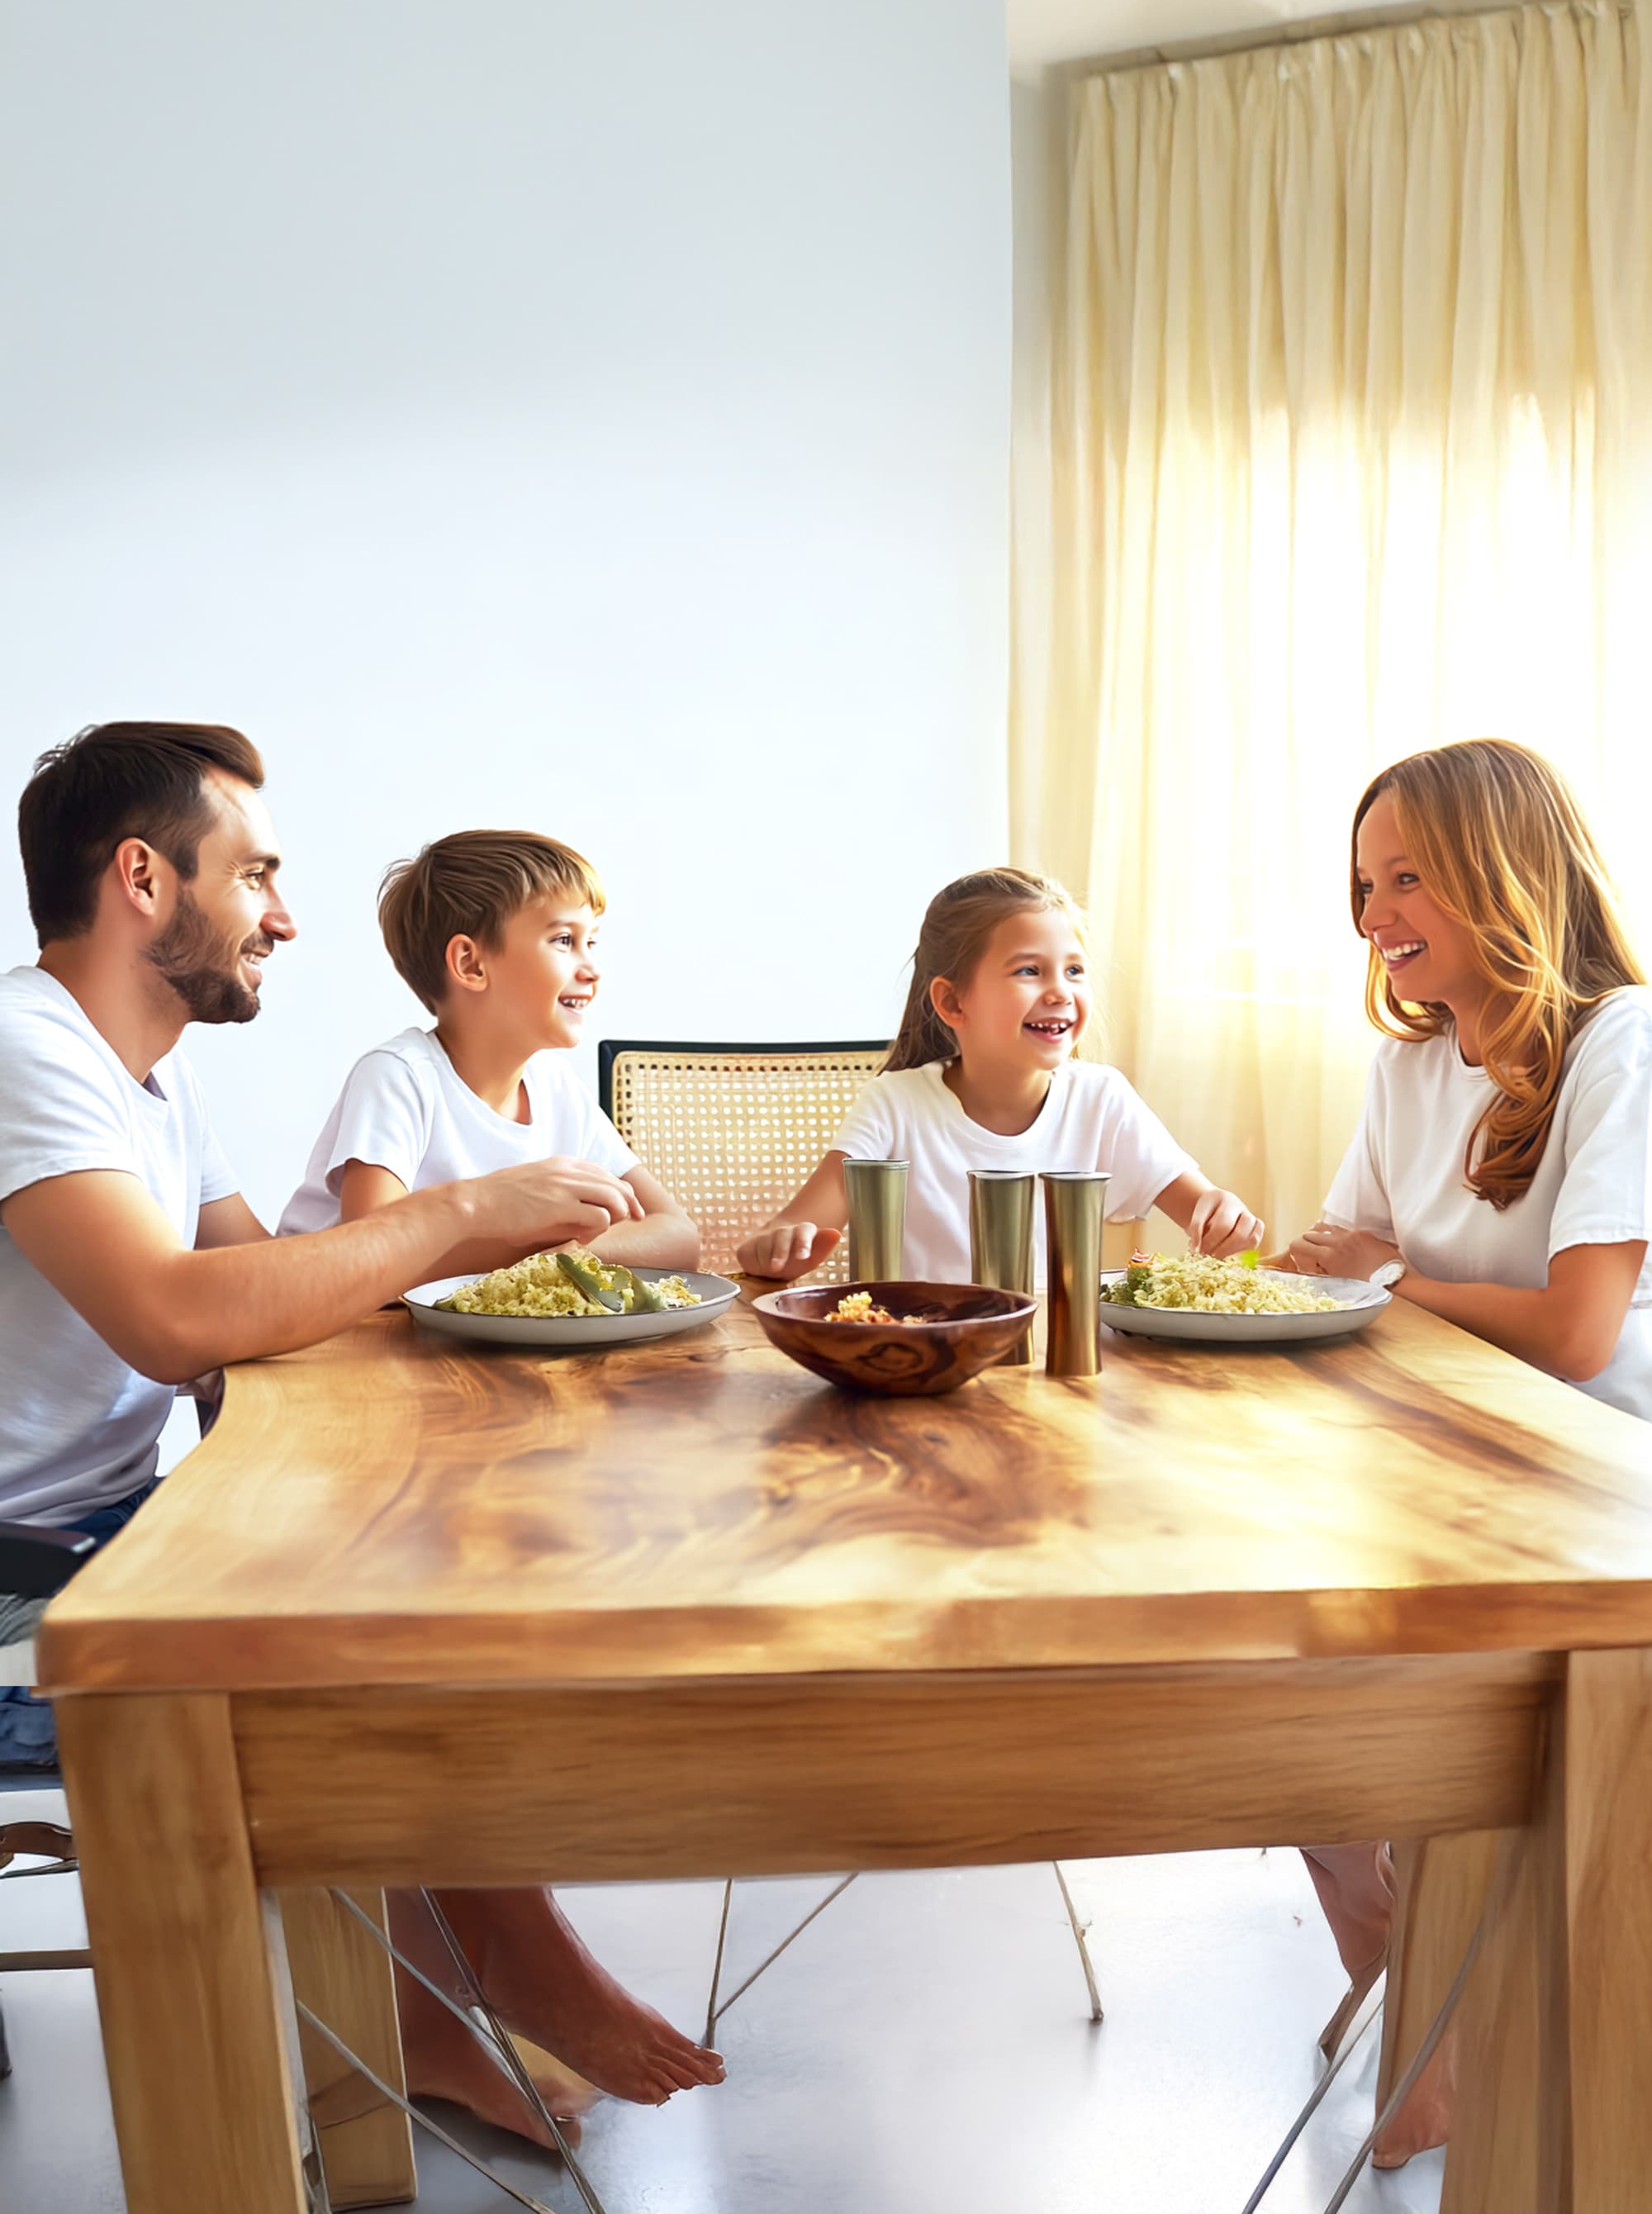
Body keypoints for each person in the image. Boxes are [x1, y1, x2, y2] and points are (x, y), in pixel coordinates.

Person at [0, 723, 722, 2146]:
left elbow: (261, 1294)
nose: (284, 914)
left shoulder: (151, 1075)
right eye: (256, 875)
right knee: (357, 1636)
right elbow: (171, 1317)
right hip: (23, 1579)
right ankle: (483, 1980)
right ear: (144, 880)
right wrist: (455, 1218)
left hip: (107, 1527)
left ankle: (430, 2007)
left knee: (421, 1561)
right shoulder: (27, 1051)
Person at [1284, 738, 1652, 2164]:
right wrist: (1354, 1280)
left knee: (1395, 1688)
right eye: (1363, 885)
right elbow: (1326, 1268)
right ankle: (1406, 1982)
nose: (1373, 916)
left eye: (1404, 877)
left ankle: (1443, 2025)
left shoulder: (1622, 1043)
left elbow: (1575, 1333)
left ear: (1501, 870)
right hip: (1453, 1460)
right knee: (1281, 1671)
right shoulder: (1412, 1065)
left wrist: (1387, 1280)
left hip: (1602, 1487)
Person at [738, 865, 1263, 1282]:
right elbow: (794, 1229)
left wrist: (1223, 1215)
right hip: (925, 1355)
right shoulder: (895, 1105)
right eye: (1029, 970)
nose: (1061, 991)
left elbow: (1204, 1210)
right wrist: (778, 1248)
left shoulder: (1101, 1099)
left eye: (1074, 970)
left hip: (1055, 1360)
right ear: (952, 1001)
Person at [281, 827, 697, 1266]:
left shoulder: (558, 1090)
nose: (593, 967)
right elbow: (370, 1254)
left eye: (590, 941)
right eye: (564, 941)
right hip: (346, 1331)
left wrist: (547, 1259)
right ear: (471, 964)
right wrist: (543, 1255)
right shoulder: (399, 1077)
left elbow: (677, 1236)